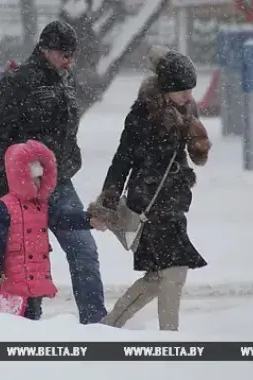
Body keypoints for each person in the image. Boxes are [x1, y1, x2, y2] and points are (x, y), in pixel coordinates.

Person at [0, 20, 106, 325]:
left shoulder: (66, 80)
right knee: (22, 262)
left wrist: (68, 160)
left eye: (72, 55)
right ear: (45, 50)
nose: (69, 61)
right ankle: (25, 326)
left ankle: (95, 323)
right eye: (64, 54)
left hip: (59, 182)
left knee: (84, 250)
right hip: (21, 188)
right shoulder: (17, 82)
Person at [88, 46, 211, 331]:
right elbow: (122, 161)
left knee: (157, 277)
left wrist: (198, 144)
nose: (189, 96)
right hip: (150, 205)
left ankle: (108, 328)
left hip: (174, 203)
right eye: (182, 90)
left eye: (190, 89)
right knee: (174, 270)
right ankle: (169, 338)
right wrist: (107, 203)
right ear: (166, 88)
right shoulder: (142, 116)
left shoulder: (186, 111)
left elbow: (192, 157)